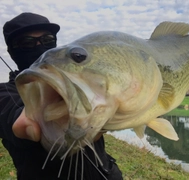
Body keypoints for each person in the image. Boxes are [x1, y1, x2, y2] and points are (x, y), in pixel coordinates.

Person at [0, 12, 123, 180]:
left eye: (47, 40)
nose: (39, 46)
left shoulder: (81, 80)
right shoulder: (4, 93)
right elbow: (14, 118)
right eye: (27, 42)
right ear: (11, 51)